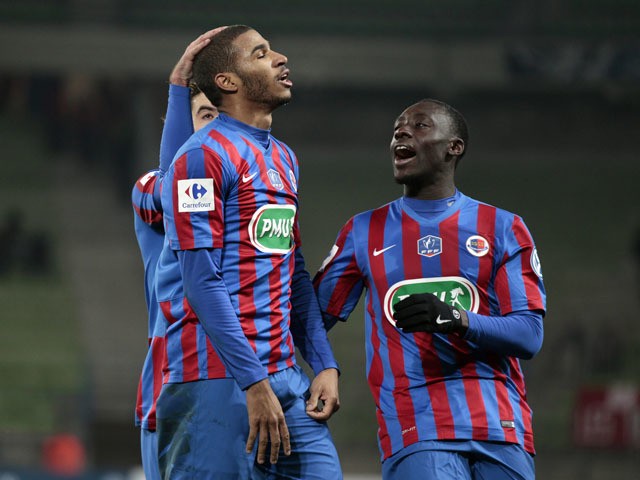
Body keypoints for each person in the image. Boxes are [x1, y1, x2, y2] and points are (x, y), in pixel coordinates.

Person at [314, 99, 546, 480]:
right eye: (397, 129)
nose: (401, 133)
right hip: (418, 429)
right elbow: (308, 318)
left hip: (502, 428)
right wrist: (326, 365)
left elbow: (529, 335)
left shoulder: (503, 228)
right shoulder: (363, 231)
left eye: (419, 125)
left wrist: (456, 319)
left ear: (454, 147)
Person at [155, 25, 342, 479]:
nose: (280, 58)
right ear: (227, 81)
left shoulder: (284, 158)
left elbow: (293, 272)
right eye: (260, 54)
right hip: (218, 380)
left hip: (285, 377)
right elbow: (201, 281)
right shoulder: (199, 158)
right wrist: (252, 382)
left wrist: (324, 363)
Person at [131, 29, 220, 480]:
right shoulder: (151, 187)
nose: (217, 128)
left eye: (224, 116)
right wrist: (178, 86)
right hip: (170, 388)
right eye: (205, 115)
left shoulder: (254, 195)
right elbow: (176, 186)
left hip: (247, 385)